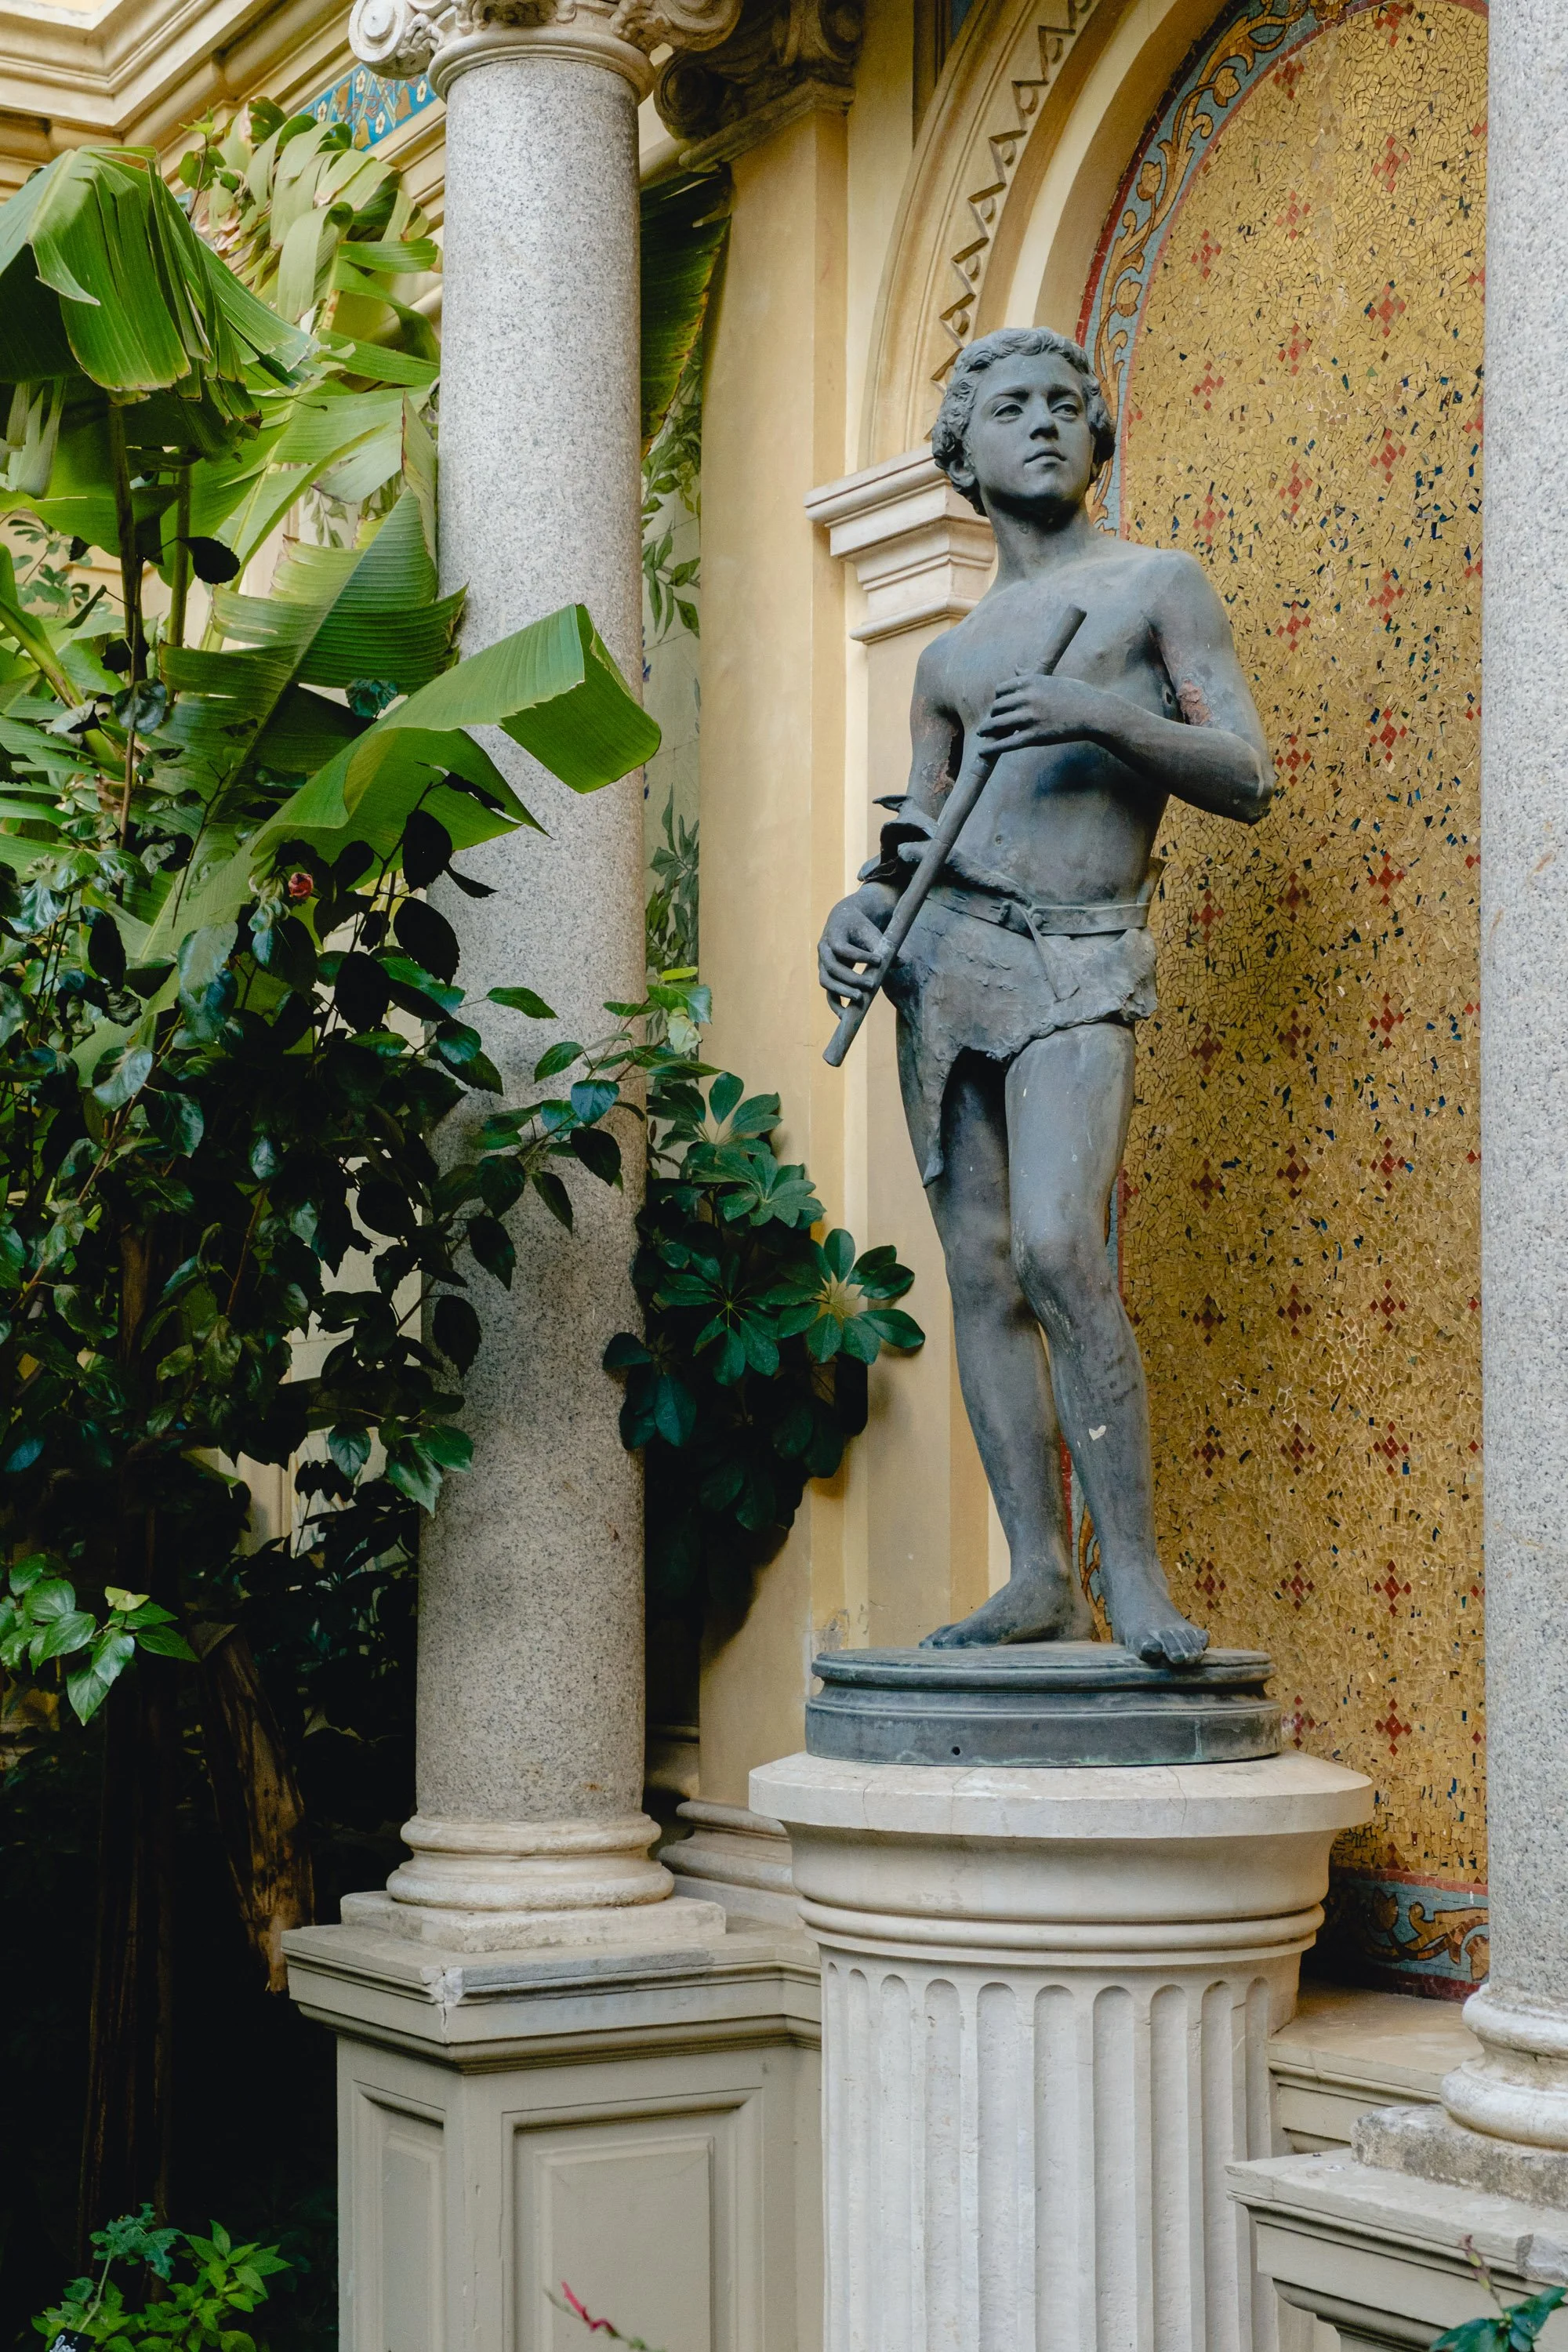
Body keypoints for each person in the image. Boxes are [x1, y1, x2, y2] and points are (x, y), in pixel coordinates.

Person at [817, 325, 1272, 1661]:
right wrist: (855, 920)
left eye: (1068, 405)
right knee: (983, 1273)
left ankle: (1130, 1574)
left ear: (1097, 434)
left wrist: (1101, 721)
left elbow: (1247, 772)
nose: (1043, 424)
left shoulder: (1150, 590)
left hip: (1079, 951)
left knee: (1066, 1248)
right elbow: (915, 839)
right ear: (963, 451)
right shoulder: (948, 659)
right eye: (1009, 407)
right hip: (944, 962)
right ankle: (1036, 1575)